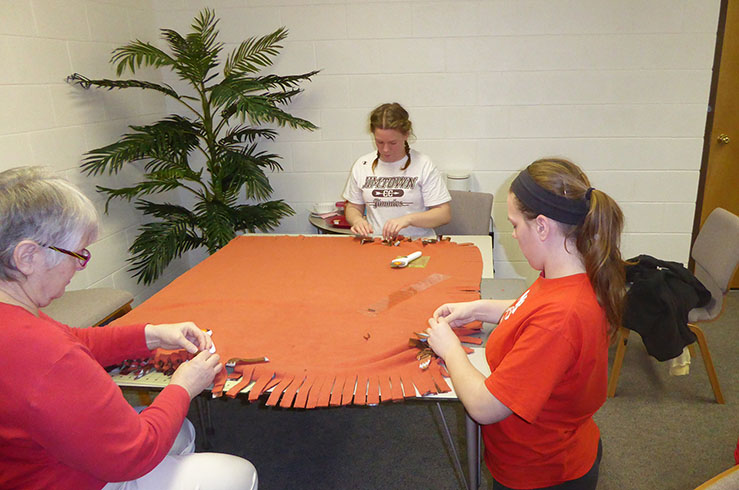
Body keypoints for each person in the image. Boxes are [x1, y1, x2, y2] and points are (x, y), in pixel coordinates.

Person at [0, 167, 257, 490]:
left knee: (182, 433)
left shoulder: (16, 317)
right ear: (26, 256)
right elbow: (135, 453)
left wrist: (153, 334)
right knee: (237, 472)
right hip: (60, 480)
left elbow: (73, 338)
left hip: (23, 465)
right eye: (77, 254)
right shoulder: (46, 356)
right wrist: (182, 387)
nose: (80, 266)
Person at [426, 158, 626, 490]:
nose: (512, 236)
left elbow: (483, 406)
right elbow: (532, 309)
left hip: (540, 473)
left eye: (515, 225)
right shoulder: (571, 274)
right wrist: (477, 308)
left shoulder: (559, 319)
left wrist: (449, 349)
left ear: (543, 226)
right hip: (557, 446)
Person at [342, 102, 451, 239]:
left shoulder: (423, 164)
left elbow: (443, 214)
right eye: (380, 142)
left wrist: (408, 219)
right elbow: (353, 207)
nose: (386, 149)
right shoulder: (362, 165)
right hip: (376, 242)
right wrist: (357, 220)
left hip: (417, 243)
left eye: (393, 143)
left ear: (406, 135)